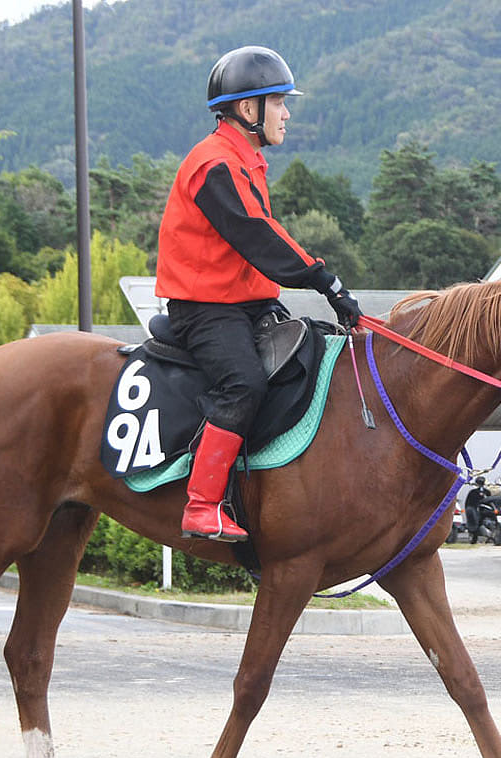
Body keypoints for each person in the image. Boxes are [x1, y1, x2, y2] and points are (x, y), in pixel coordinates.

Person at [155, 45, 363, 543]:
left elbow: (266, 233)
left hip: (245, 304)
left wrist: (321, 284)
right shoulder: (214, 164)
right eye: (280, 102)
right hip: (205, 310)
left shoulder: (242, 159)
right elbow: (258, 236)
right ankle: (202, 505)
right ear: (249, 110)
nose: (287, 113)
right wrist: (324, 280)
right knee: (244, 384)